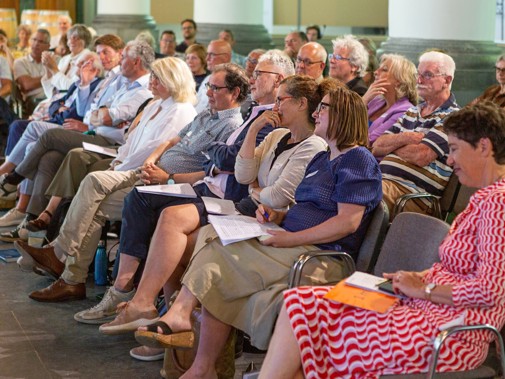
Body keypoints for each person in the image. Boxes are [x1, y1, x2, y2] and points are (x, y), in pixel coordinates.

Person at [128, 86, 382, 379]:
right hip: (293, 241)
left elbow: (347, 223)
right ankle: (199, 359)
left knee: (220, 251)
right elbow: (308, 207)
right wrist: (279, 215)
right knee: (214, 237)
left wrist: (290, 237)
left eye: (323, 108)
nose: (316, 113)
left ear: (343, 115)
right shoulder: (324, 158)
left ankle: (185, 328)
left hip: (320, 256)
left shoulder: (358, 159)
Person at [259, 101, 505, 378]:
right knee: (300, 303)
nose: (449, 160)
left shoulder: (498, 202)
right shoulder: (485, 198)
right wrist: (416, 278)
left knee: (314, 319)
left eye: (455, 149)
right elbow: (459, 271)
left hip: (448, 332)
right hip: (426, 311)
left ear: (484, 147)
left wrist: (422, 289)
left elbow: (489, 291)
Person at [96, 75, 335, 335]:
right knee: (169, 220)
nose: (275, 107)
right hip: (248, 205)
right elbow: (244, 175)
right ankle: (153, 311)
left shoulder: (313, 145)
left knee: (182, 236)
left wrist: (256, 188)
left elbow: (276, 197)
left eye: (281, 100)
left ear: (301, 104)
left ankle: (162, 316)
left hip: (263, 217)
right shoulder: (277, 135)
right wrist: (254, 130)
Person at [18, 63, 247, 302]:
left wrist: (166, 177)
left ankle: (69, 275)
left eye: (215, 88)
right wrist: (150, 162)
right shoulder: (204, 115)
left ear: (234, 93)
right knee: (93, 181)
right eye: (208, 85)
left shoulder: (231, 126)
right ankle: (62, 263)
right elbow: (169, 142)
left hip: (171, 185)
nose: (208, 91)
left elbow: (210, 173)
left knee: (94, 205)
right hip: (150, 171)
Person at [372, 51, 459, 216]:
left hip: (413, 197)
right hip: (384, 183)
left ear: (447, 80)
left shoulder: (453, 117)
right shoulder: (413, 111)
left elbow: (421, 156)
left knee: (358, 191)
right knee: (338, 184)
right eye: (418, 74)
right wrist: (407, 138)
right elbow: (377, 146)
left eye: (427, 75)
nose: (419, 80)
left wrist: (392, 145)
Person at [363, 53, 418, 144]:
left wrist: (363, 101)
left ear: (399, 80)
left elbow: (370, 141)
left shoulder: (405, 110)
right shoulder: (376, 100)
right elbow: (345, 125)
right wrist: (364, 100)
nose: (376, 72)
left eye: (384, 70)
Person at [41, 24, 91, 99]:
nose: (71, 41)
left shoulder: (87, 59)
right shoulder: (64, 59)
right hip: (56, 101)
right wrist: (48, 68)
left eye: (76, 38)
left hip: (72, 103)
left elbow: (71, 89)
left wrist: (54, 69)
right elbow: (51, 92)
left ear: (85, 41)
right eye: (69, 38)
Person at [12, 29, 51, 116]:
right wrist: (51, 76)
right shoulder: (20, 62)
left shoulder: (55, 60)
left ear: (48, 46)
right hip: (34, 100)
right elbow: (27, 85)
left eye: (41, 41)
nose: (36, 44)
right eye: (34, 40)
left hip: (54, 96)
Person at [195, 40, 232, 113]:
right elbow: (196, 103)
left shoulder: (232, 82)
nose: (207, 59)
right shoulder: (208, 78)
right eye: (207, 54)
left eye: (212, 55)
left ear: (226, 57)